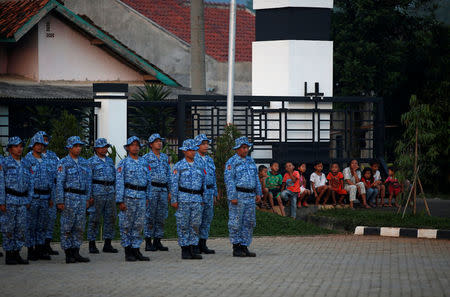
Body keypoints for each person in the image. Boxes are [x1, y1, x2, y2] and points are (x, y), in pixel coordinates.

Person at [56, 136, 92, 264]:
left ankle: (76, 251)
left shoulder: (84, 162)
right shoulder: (63, 162)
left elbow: (88, 182)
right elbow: (59, 183)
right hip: (69, 197)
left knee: (79, 226)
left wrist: (88, 198)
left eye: (80, 146)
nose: (78, 149)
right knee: (67, 226)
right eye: (76, 146)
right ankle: (68, 253)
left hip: (82, 198)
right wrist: (60, 200)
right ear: (69, 147)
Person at [224, 136, 261, 257]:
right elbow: (229, 180)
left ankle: (245, 245)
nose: (246, 150)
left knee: (249, 221)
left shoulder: (251, 161)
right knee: (236, 221)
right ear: (237, 149)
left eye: (247, 147)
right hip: (238, 195)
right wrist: (232, 196)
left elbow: (256, 178)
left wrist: (258, 192)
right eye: (243, 148)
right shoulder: (232, 162)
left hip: (250, 195)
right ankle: (236, 246)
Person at [116, 136, 151, 262]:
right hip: (128, 196)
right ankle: (128, 250)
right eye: (133, 145)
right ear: (128, 148)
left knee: (138, 224)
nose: (135, 147)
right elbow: (119, 182)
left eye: (137, 145)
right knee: (126, 225)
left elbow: (149, 180)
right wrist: (120, 200)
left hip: (141, 196)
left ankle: (136, 249)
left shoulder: (144, 162)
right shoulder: (123, 163)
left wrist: (148, 196)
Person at [170, 139, 205, 260]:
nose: (193, 152)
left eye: (194, 150)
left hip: (196, 198)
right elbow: (174, 184)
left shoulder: (199, 166)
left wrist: (203, 198)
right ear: (185, 151)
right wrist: (174, 199)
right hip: (183, 198)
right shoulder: (179, 166)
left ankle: (193, 248)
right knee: (183, 224)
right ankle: (185, 249)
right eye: (190, 150)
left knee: (195, 224)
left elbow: (203, 184)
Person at [1, 137, 31, 265]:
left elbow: (31, 182)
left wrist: (29, 198)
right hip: (10, 198)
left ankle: (17, 253)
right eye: (16, 146)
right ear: (10, 148)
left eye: (21, 146)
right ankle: (9, 254)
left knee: (21, 227)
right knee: (9, 228)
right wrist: (2, 202)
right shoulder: (5, 163)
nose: (19, 149)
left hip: (22, 199)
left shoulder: (26, 163)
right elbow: (1, 184)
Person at [25, 133, 54, 261]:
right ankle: (30, 250)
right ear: (33, 145)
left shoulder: (47, 160)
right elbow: (25, 180)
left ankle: (40, 249)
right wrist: (27, 198)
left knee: (42, 224)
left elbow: (51, 179)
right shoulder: (27, 160)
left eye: (42, 144)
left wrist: (52, 197)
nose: (40, 147)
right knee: (31, 224)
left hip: (45, 196)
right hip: (33, 196)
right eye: (37, 144)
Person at [87, 138, 118, 254]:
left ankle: (108, 244)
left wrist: (115, 192)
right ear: (96, 149)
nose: (104, 149)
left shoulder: (110, 161)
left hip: (110, 192)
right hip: (97, 192)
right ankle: (92, 243)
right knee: (94, 218)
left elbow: (114, 177)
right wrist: (89, 196)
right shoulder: (90, 162)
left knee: (111, 217)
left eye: (106, 147)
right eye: (102, 147)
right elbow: (88, 180)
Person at [142, 133, 170, 252]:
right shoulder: (146, 158)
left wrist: (170, 191)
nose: (159, 143)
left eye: (160, 141)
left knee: (161, 216)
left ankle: (158, 240)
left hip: (163, 190)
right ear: (151, 144)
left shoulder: (164, 157)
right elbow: (144, 176)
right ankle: (148, 241)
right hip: (152, 189)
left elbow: (168, 174)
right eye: (157, 141)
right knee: (150, 216)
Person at [36, 131, 59, 256]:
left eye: (46, 139)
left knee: (50, 218)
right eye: (41, 139)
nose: (44, 142)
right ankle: (37, 247)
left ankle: (47, 244)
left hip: (52, 190)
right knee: (38, 220)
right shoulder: (31, 156)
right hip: (38, 192)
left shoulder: (53, 156)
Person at [194, 134, 217, 254]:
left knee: (207, 219)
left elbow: (213, 177)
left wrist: (215, 194)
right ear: (197, 145)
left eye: (207, 143)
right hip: (199, 193)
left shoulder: (209, 159)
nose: (206, 146)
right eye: (203, 144)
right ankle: (195, 244)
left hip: (209, 191)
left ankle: (203, 243)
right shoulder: (194, 159)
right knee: (197, 219)